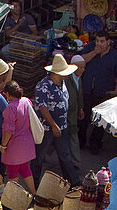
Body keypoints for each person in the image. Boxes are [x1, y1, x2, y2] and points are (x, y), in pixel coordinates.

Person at [32, 54, 79, 185]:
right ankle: (34, 185)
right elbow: (42, 107)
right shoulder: (43, 86)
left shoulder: (62, 83)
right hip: (47, 128)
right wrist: (53, 125)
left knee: (65, 156)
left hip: (62, 126)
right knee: (39, 157)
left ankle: (73, 183)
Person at [79, 32, 117, 155]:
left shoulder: (115, 56)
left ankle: (95, 144)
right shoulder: (91, 48)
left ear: (108, 42)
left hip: (103, 92)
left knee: (100, 121)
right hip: (88, 90)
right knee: (83, 117)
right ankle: (80, 141)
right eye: (97, 41)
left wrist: (116, 91)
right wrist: (94, 52)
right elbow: (81, 60)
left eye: (102, 41)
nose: (99, 44)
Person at [1, 82, 36, 195]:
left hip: (14, 146)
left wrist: (4, 145)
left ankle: (12, 198)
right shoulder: (26, 101)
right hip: (27, 143)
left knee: (12, 171)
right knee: (25, 168)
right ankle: (34, 193)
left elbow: (9, 130)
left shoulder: (11, 107)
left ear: (7, 93)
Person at [66, 55, 85, 171]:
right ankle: (76, 162)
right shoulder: (67, 78)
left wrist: (81, 108)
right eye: (81, 68)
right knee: (72, 137)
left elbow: (79, 94)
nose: (83, 70)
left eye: (84, 67)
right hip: (68, 113)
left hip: (74, 112)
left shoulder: (79, 78)